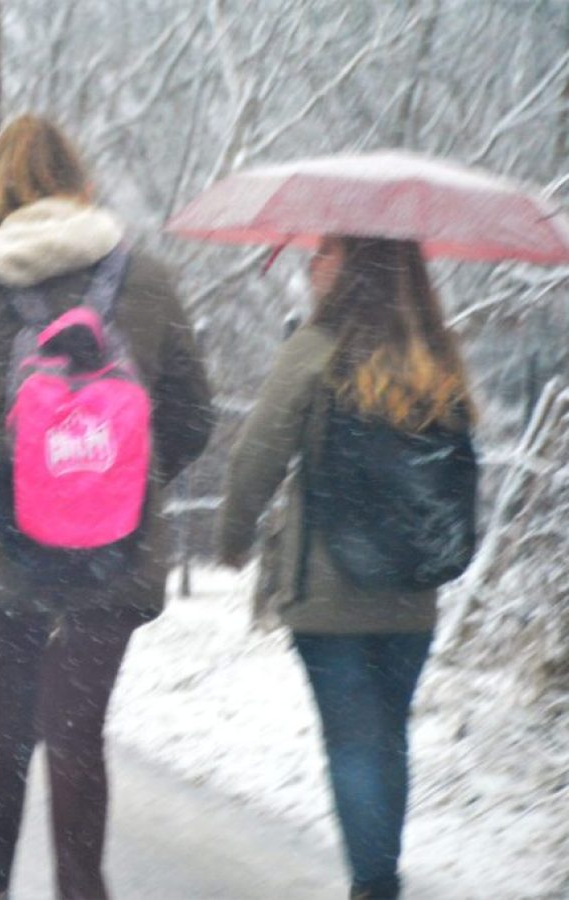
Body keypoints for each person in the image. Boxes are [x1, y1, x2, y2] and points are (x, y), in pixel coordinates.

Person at [0, 113, 213, 900]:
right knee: (78, 736)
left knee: (5, 731)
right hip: (113, 547)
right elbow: (191, 417)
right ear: (81, 181)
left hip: (0, 546)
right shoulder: (144, 281)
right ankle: (83, 889)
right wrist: (114, 485)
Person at [217, 235, 477, 900]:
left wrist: (234, 535)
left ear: (358, 264)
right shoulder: (435, 356)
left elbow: (257, 455)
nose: (312, 262)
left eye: (327, 250)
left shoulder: (314, 349)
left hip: (328, 592)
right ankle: (379, 877)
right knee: (387, 736)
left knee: (354, 743)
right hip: (412, 594)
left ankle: (373, 884)